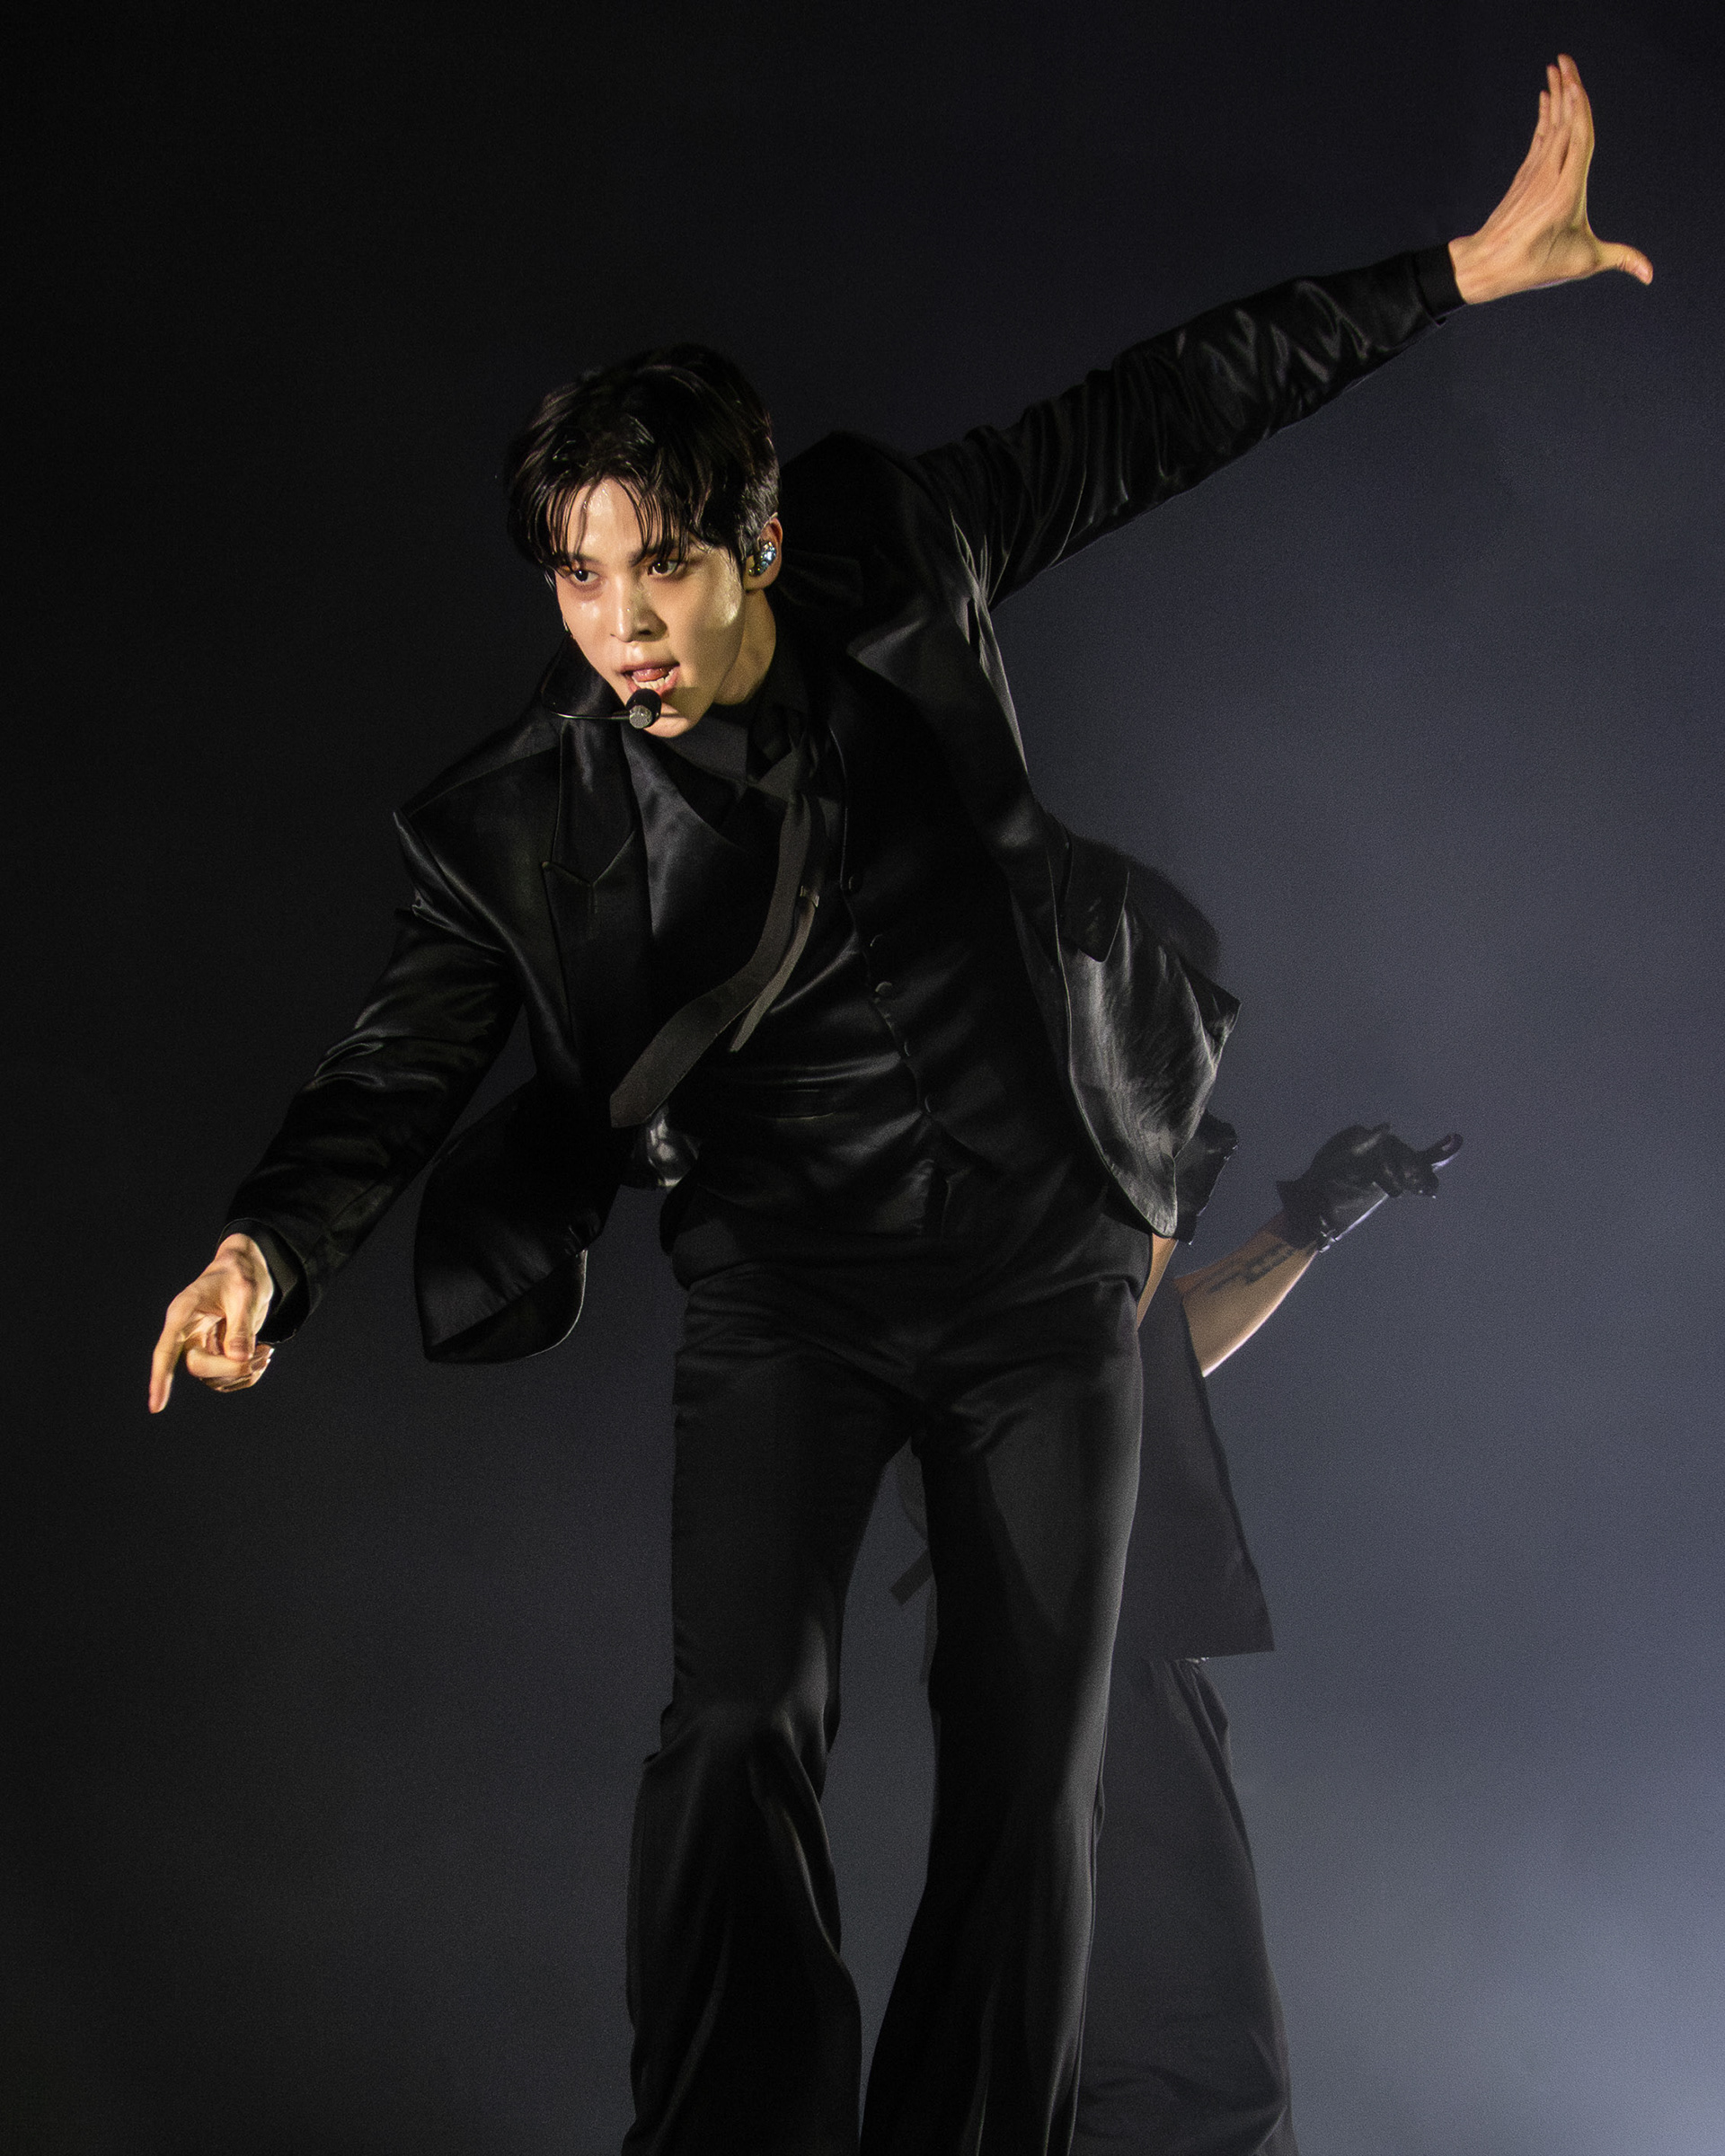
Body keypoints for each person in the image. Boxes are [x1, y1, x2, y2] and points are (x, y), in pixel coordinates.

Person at [146, 56, 1643, 2156]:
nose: (624, 628)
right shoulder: (525, 821)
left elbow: (1156, 411)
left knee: (1034, 1778)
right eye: (578, 581)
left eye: (663, 567)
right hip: (790, 1288)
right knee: (735, 1720)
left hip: (1038, 1267)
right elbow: (398, 1057)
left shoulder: (899, 548)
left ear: (758, 539)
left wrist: (1451, 277)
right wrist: (267, 1247)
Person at [895, 1120, 1460, 2155]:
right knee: (1187, 2070)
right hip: (1050, 1625)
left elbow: (1142, 1349)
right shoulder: (963, 1175)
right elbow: (1072, 1366)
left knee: (1189, 2068)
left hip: (1111, 1633)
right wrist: (1163, 1217)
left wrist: (1305, 1224)